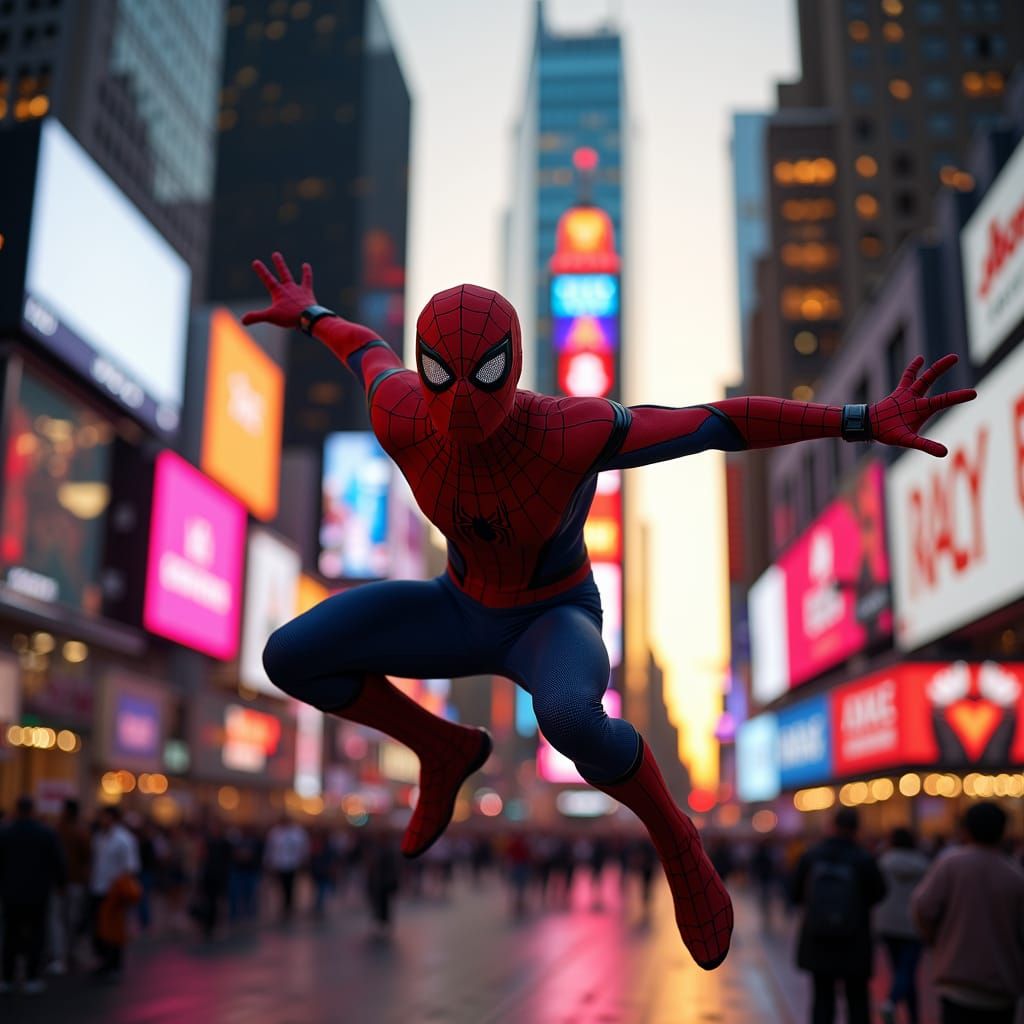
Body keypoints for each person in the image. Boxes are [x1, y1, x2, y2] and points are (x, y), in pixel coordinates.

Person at [245, 252, 972, 970]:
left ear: (515, 365)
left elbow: (715, 421)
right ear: (423, 371)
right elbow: (362, 348)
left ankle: (676, 840)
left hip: (551, 621)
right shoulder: (399, 411)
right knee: (289, 656)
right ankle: (442, 747)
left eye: (486, 373)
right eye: (442, 374)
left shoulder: (571, 431)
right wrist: (308, 314)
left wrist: (859, 419)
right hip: (458, 607)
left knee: (569, 717)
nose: (464, 397)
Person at [912, 802, 1024, 1024]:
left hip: (957, 981)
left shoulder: (951, 864)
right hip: (1002, 986)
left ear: (966, 830)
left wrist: (936, 940)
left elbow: (922, 908)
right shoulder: (1015, 876)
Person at [791, 808, 887, 1024]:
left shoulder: (812, 855)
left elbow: (794, 893)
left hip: (818, 939)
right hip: (855, 939)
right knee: (857, 1000)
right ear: (856, 828)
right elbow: (879, 892)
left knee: (822, 999)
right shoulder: (864, 858)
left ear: (832, 826)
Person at [0, 796, 65, 994]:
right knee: (36, 934)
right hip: (38, 892)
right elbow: (58, 862)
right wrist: (60, 884)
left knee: (10, 934)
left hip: (11, 892)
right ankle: (31, 977)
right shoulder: (45, 833)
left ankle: (8, 977)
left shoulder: (6, 832)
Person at [876, 827, 930, 1024]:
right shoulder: (922, 864)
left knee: (899, 970)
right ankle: (905, 1011)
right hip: (913, 924)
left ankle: (892, 1003)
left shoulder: (884, 863)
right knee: (908, 971)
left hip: (888, 924)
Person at [89, 805, 141, 979]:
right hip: (98, 887)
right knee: (100, 928)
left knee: (115, 930)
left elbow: (130, 867)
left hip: (115, 892)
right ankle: (103, 962)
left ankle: (114, 965)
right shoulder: (99, 837)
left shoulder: (124, 839)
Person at [51, 797, 90, 974]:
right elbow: (88, 857)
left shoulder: (59, 829)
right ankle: (67, 953)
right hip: (74, 882)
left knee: (59, 920)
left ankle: (60, 955)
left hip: (63, 882)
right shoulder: (80, 831)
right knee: (70, 920)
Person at [264, 815, 308, 921]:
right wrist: (268, 861)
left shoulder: (298, 832)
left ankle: (289, 905)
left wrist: (303, 859)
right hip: (279, 863)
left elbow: (303, 846)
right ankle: (283, 903)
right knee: (281, 885)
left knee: (291, 885)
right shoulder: (275, 832)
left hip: (292, 863)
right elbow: (270, 848)